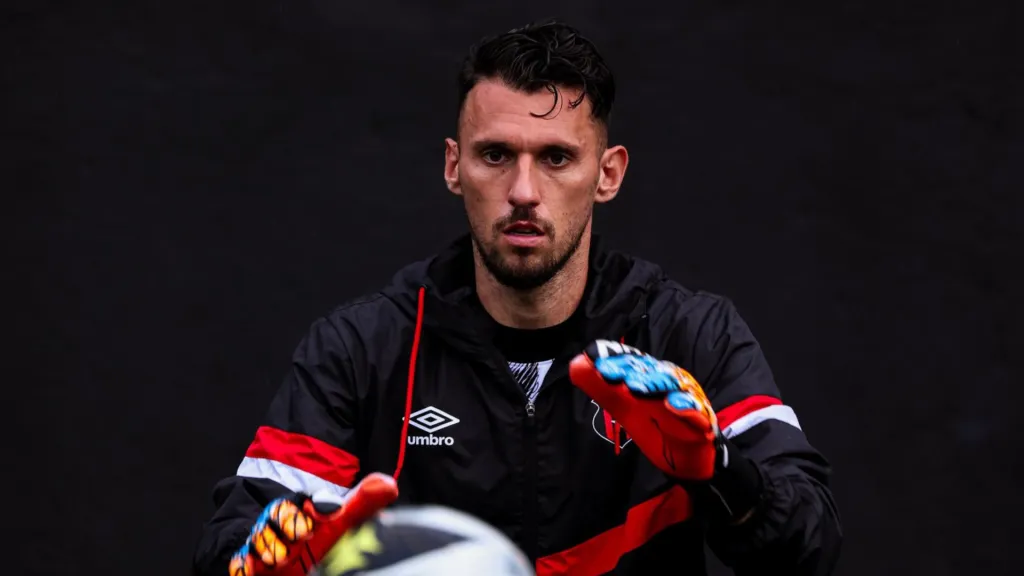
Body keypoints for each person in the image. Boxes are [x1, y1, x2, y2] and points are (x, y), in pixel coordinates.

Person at [192, 19, 842, 576]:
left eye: (557, 158)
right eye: (496, 154)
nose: (524, 190)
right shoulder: (365, 351)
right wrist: (267, 565)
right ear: (454, 166)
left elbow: (808, 548)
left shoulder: (687, 336)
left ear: (607, 173)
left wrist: (719, 471)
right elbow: (239, 542)